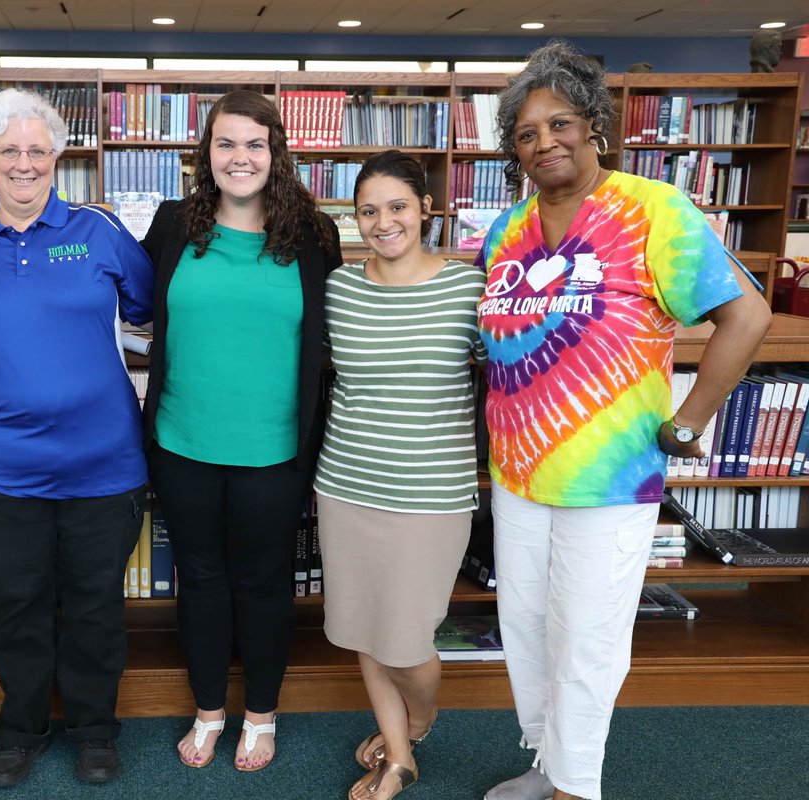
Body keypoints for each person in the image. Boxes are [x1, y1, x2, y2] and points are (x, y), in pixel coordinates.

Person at [475, 40, 772, 800]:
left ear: (595, 127)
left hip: (609, 481)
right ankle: (548, 767)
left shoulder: (653, 211)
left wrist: (689, 422)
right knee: (530, 632)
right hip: (518, 474)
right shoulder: (507, 232)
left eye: (560, 123)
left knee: (587, 640)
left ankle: (578, 786)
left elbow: (746, 314)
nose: (545, 143)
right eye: (527, 133)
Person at [0, 88, 153, 789]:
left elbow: (149, 310)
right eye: (10, 151)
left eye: (37, 150)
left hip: (103, 463)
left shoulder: (99, 231)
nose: (24, 163)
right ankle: (19, 731)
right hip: (1, 467)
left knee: (95, 606)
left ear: (59, 156)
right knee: (19, 607)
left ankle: (94, 731)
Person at [140, 88, 341, 772]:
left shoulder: (314, 237)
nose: (240, 157)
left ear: (275, 153)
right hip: (180, 443)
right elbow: (133, 307)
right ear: (207, 154)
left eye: (255, 144)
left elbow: (331, 339)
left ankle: (260, 714)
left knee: (262, 583)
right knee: (198, 580)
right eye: (226, 143)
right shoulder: (173, 226)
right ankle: (208, 711)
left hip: (276, 452)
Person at [313, 150, 486, 800]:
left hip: (430, 495)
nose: (382, 222)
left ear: (425, 211)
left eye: (397, 207)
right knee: (362, 627)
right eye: (368, 210)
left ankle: (416, 719)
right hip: (346, 486)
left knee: (408, 638)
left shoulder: (466, 287)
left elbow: (507, 372)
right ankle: (399, 760)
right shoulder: (340, 288)